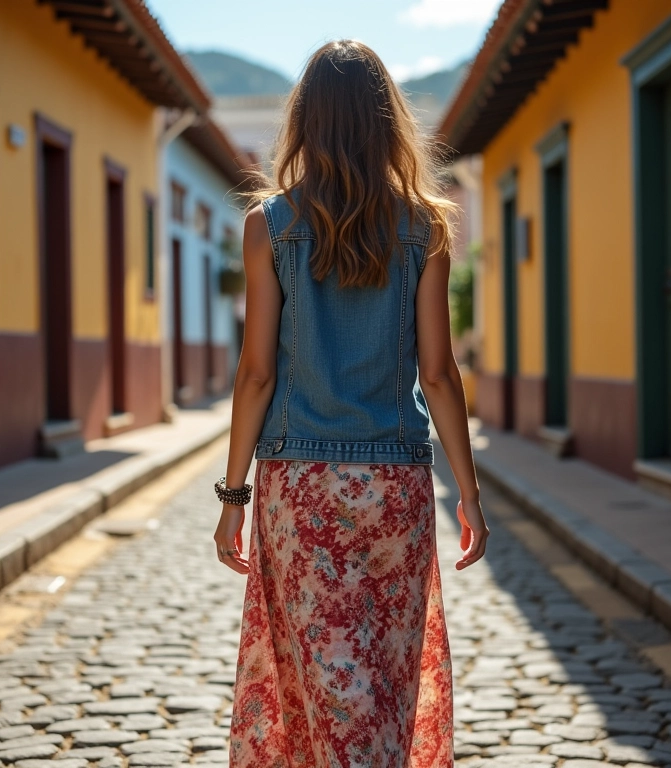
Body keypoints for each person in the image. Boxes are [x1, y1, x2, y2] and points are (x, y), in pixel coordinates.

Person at [213, 39, 489, 768]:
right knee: (384, 688)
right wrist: (469, 492)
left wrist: (234, 494)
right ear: (385, 122)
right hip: (395, 487)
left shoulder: (269, 226)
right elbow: (437, 373)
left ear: (304, 121)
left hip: (298, 489)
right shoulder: (424, 225)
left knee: (323, 687)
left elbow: (257, 374)